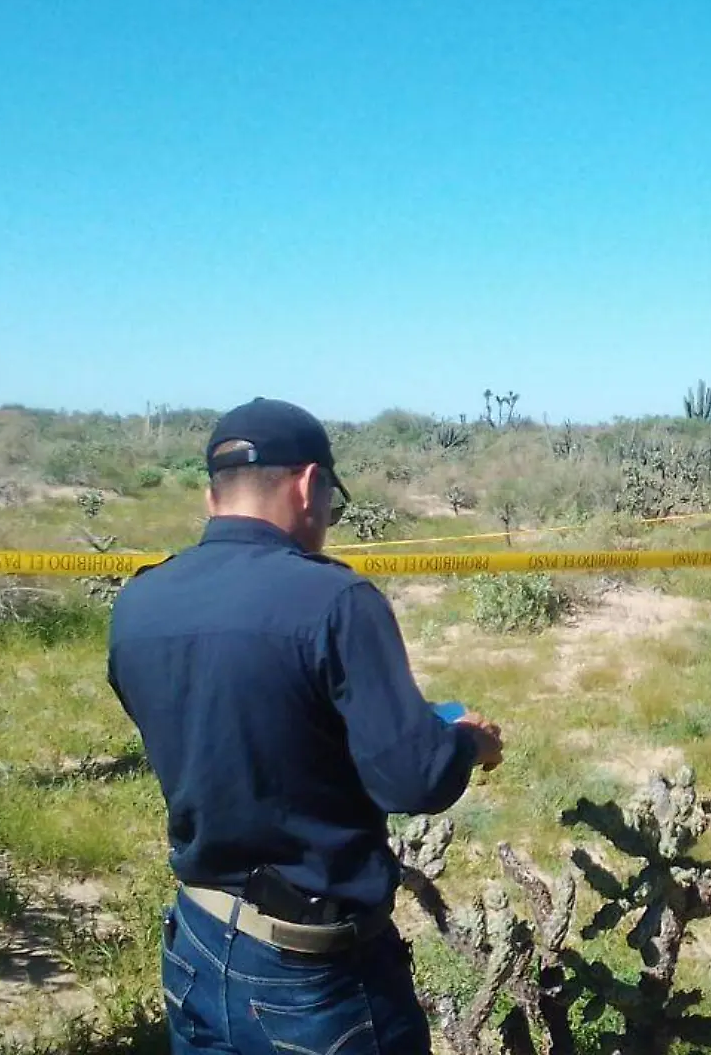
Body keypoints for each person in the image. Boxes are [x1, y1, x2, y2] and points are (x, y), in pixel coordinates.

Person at [108, 397, 504, 1054]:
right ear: (309, 485)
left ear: (214, 499)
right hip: (313, 976)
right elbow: (413, 782)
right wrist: (465, 741)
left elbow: (226, 727)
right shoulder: (336, 601)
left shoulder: (140, 600)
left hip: (197, 942)